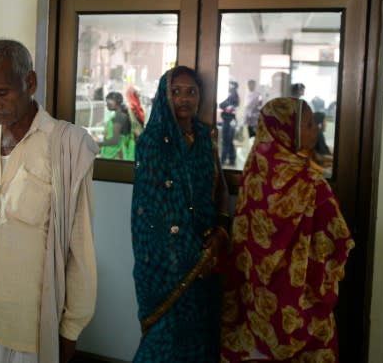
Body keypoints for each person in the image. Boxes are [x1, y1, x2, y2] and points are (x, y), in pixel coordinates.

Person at [0, 39, 98, 363]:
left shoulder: (65, 145)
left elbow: (79, 245)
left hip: (23, 323)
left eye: (2, 93)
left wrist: (71, 328)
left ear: (29, 83)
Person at [221, 98, 355, 362]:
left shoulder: (253, 173)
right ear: (285, 132)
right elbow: (337, 242)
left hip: (256, 302)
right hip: (298, 302)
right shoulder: (312, 185)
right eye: (307, 124)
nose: (315, 129)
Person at [131, 66, 231, 362]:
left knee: (202, 335)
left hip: (208, 258)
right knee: (165, 339)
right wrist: (187, 255)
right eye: (176, 92)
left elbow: (220, 188)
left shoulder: (204, 136)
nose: (184, 99)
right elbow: (152, 211)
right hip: (167, 265)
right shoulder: (150, 143)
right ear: (164, 96)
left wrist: (220, 233)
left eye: (191, 92)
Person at [98, 91, 135, 160]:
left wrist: (97, 143)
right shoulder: (120, 115)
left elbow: (115, 140)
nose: (107, 104)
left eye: (108, 101)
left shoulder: (119, 117)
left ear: (116, 102)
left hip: (115, 156)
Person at [219, 79, 240, 166]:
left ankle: (223, 160)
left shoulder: (234, 97)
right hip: (230, 121)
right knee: (229, 141)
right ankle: (232, 159)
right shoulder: (232, 96)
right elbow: (222, 105)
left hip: (229, 121)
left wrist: (225, 107)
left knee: (226, 141)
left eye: (230, 85)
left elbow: (226, 107)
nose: (228, 87)